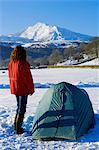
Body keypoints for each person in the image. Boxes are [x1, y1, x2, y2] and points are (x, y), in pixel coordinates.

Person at [8, 45, 35, 134]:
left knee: (19, 107)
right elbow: (27, 78)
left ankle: (16, 126)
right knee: (21, 108)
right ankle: (18, 128)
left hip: (15, 88)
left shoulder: (11, 63)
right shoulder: (23, 63)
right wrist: (31, 89)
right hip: (22, 89)